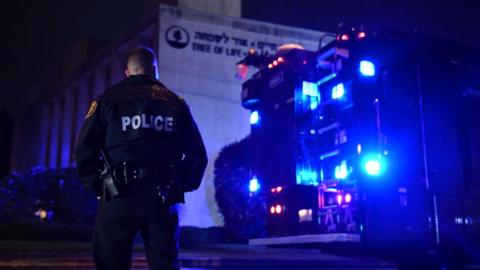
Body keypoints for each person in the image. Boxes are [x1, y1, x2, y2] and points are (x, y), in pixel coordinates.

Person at [75, 46, 208, 270]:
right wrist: (180, 184)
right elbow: (197, 154)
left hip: (118, 197)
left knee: (111, 264)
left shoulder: (107, 100)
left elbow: (84, 149)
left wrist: (99, 186)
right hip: (162, 198)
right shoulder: (175, 103)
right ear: (155, 70)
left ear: (127, 72)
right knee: (164, 264)